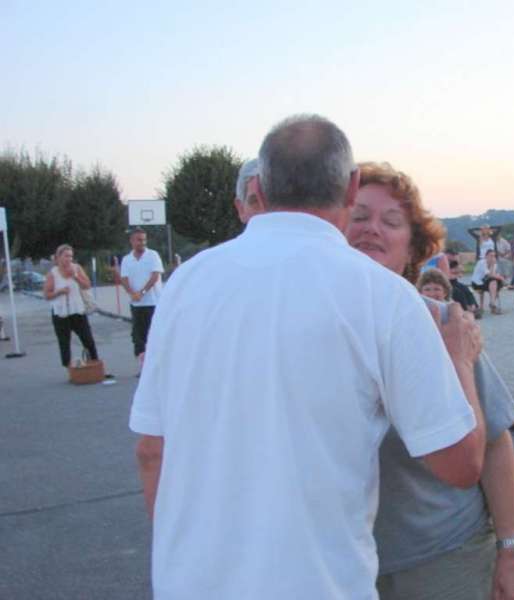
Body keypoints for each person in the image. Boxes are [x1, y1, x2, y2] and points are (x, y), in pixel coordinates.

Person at [129, 116, 487, 599]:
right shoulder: (381, 295)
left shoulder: (185, 284)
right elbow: (461, 463)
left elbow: (152, 449)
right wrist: (460, 361)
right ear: (351, 187)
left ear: (257, 186)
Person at [347, 161, 514, 600]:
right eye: (358, 216)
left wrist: (512, 552)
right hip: (336, 557)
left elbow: (494, 442)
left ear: (412, 248)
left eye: (391, 221)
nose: (373, 228)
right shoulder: (305, 321)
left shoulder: (443, 323)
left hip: (440, 556)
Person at [43, 244, 99, 368]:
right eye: (66, 256)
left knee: (88, 340)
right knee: (64, 342)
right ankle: (70, 368)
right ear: (58, 257)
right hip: (60, 313)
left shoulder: (77, 268)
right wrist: (59, 292)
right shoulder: (53, 273)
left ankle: (95, 364)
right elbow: (46, 295)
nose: (69, 259)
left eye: (71, 256)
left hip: (77, 311)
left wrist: (75, 277)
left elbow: (87, 285)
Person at [120, 229, 164, 373]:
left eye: (144, 240)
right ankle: (143, 366)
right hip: (137, 305)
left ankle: (158, 365)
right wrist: (132, 293)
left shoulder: (153, 255)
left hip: (153, 302)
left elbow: (155, 276)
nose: (142, 243)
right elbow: (124, 278)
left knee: (155, 334)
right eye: (139, 240)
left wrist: (142, 292)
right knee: (138, 336)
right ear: (132, 241)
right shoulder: (127, 259)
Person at [446, 251, 481, 318]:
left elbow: (459, 274)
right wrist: (454, 273)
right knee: (458, 292)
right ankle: (466, 309)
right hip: (446, 283)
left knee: (466, 289)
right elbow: (449, 274)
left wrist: (455, 272)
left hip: (454, 282)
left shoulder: (454, 264)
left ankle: (473, 306)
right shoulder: (444, 263)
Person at [471, 249, 505, 315]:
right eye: (491, 256)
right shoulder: (481, 262)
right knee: (494, 281)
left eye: (494, 256)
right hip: (477, 283)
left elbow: (493, 276)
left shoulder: (495, 264)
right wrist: (501, 278)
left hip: (487, 282)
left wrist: (499, 277)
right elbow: (490, 275)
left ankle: (492, 303)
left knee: (495, 282)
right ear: (486, 256)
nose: (493, 258)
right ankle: (492, 305)